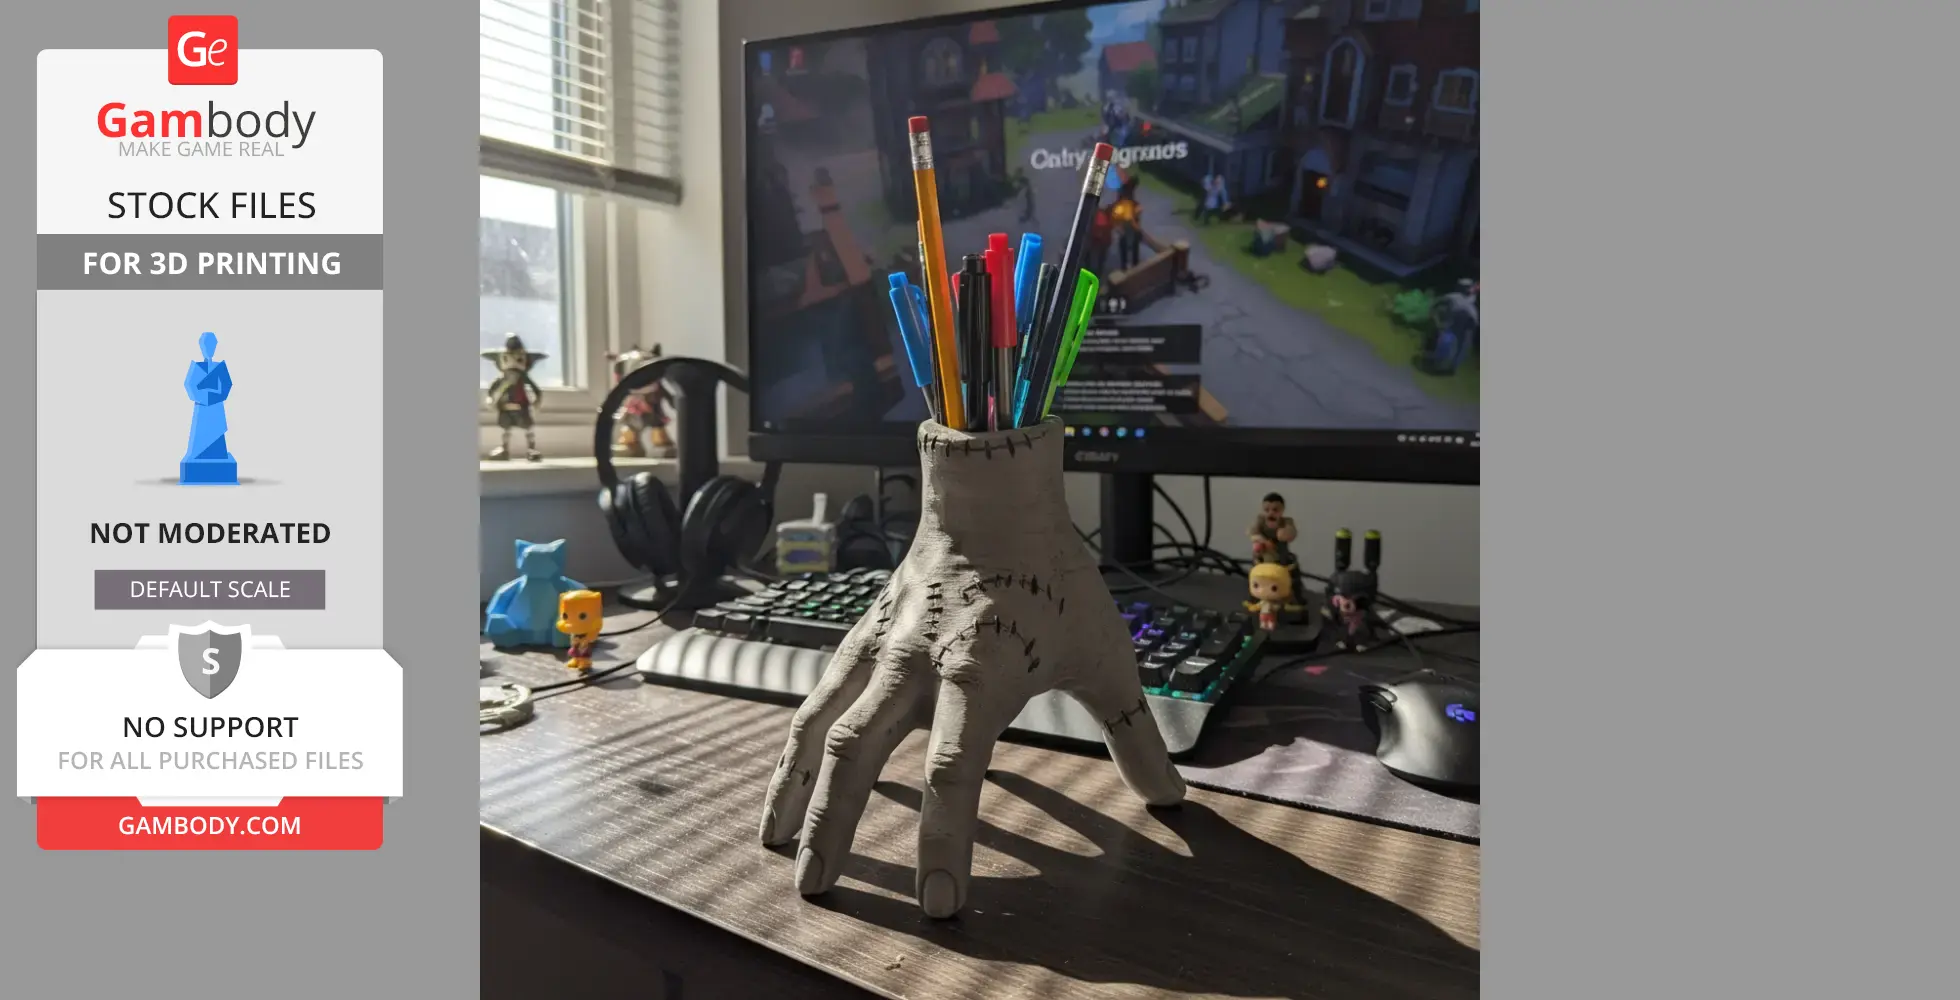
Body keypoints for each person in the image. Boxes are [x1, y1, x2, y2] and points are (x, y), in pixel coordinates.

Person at [1248, 492, 1304, 610]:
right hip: (1263, 559)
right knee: (1257, 578)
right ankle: (1256, 599)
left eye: (1275, 510)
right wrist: (1262, 541)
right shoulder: (1260, 521)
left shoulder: (1287, 521)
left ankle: (1294, 600)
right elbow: (1252, 533)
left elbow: (1292, 534)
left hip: (1281, 560)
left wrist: (1285, 533)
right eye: (1267, 510)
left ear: (1282, 510)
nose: (1271, 513)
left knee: (1292, 578)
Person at [1111, 176, 1144, 271]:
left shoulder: (1128, 194)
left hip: (1129, 222)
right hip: (1125, 223)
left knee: (1133, 244)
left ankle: (1132, 265)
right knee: (1125, 243)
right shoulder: (1124, 193)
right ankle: (1126, 266)